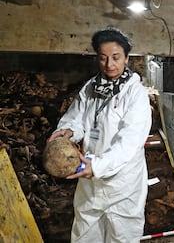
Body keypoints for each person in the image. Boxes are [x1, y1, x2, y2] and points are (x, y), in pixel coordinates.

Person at [48, 27, 152, 242]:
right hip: (90, 180)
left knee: (122, 236)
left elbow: (130, 142)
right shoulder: (91, 88)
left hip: (122, 182)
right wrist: (69, 130)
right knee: (85, 233)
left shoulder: (135, 93)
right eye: (103, 58)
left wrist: (97, 166)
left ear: (126, 58)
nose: (109, 64)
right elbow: (76, 118)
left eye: (116, 57)